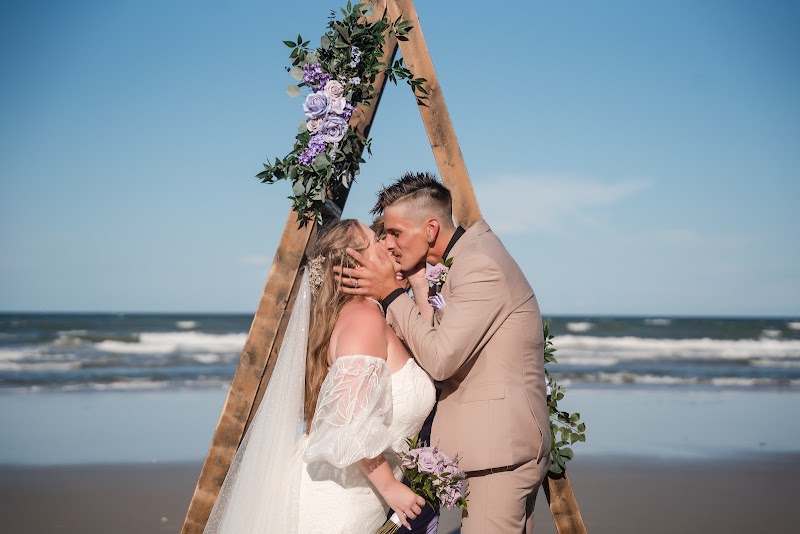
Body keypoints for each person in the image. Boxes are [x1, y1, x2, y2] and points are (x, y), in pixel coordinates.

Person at [336, 172, 552, 533]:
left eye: (395, 233)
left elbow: (439, 360)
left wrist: (391, 293)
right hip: (499, 448)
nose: (388, 244)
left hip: (502, 452)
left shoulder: (479, 265)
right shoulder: (468, 257)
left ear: (431, 229)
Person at [204, 219, 436, 533]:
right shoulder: (363, 318)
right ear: (357, 263)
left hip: (356, 496)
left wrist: (419, 283)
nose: (387, 244)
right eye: (375, 240)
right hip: (339, 504)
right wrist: (391, 488)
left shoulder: (368, 314)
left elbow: (433, 348)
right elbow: (348, 420)